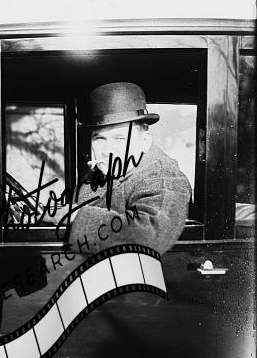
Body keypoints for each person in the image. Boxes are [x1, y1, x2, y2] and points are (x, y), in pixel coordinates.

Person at [67, 82, 191, 256]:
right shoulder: (99, 174)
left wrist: (74, 216)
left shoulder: (164, 177)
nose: (107, 150)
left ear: (145, 141)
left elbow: (149, 236)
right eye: (99, 138)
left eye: (119, 139)